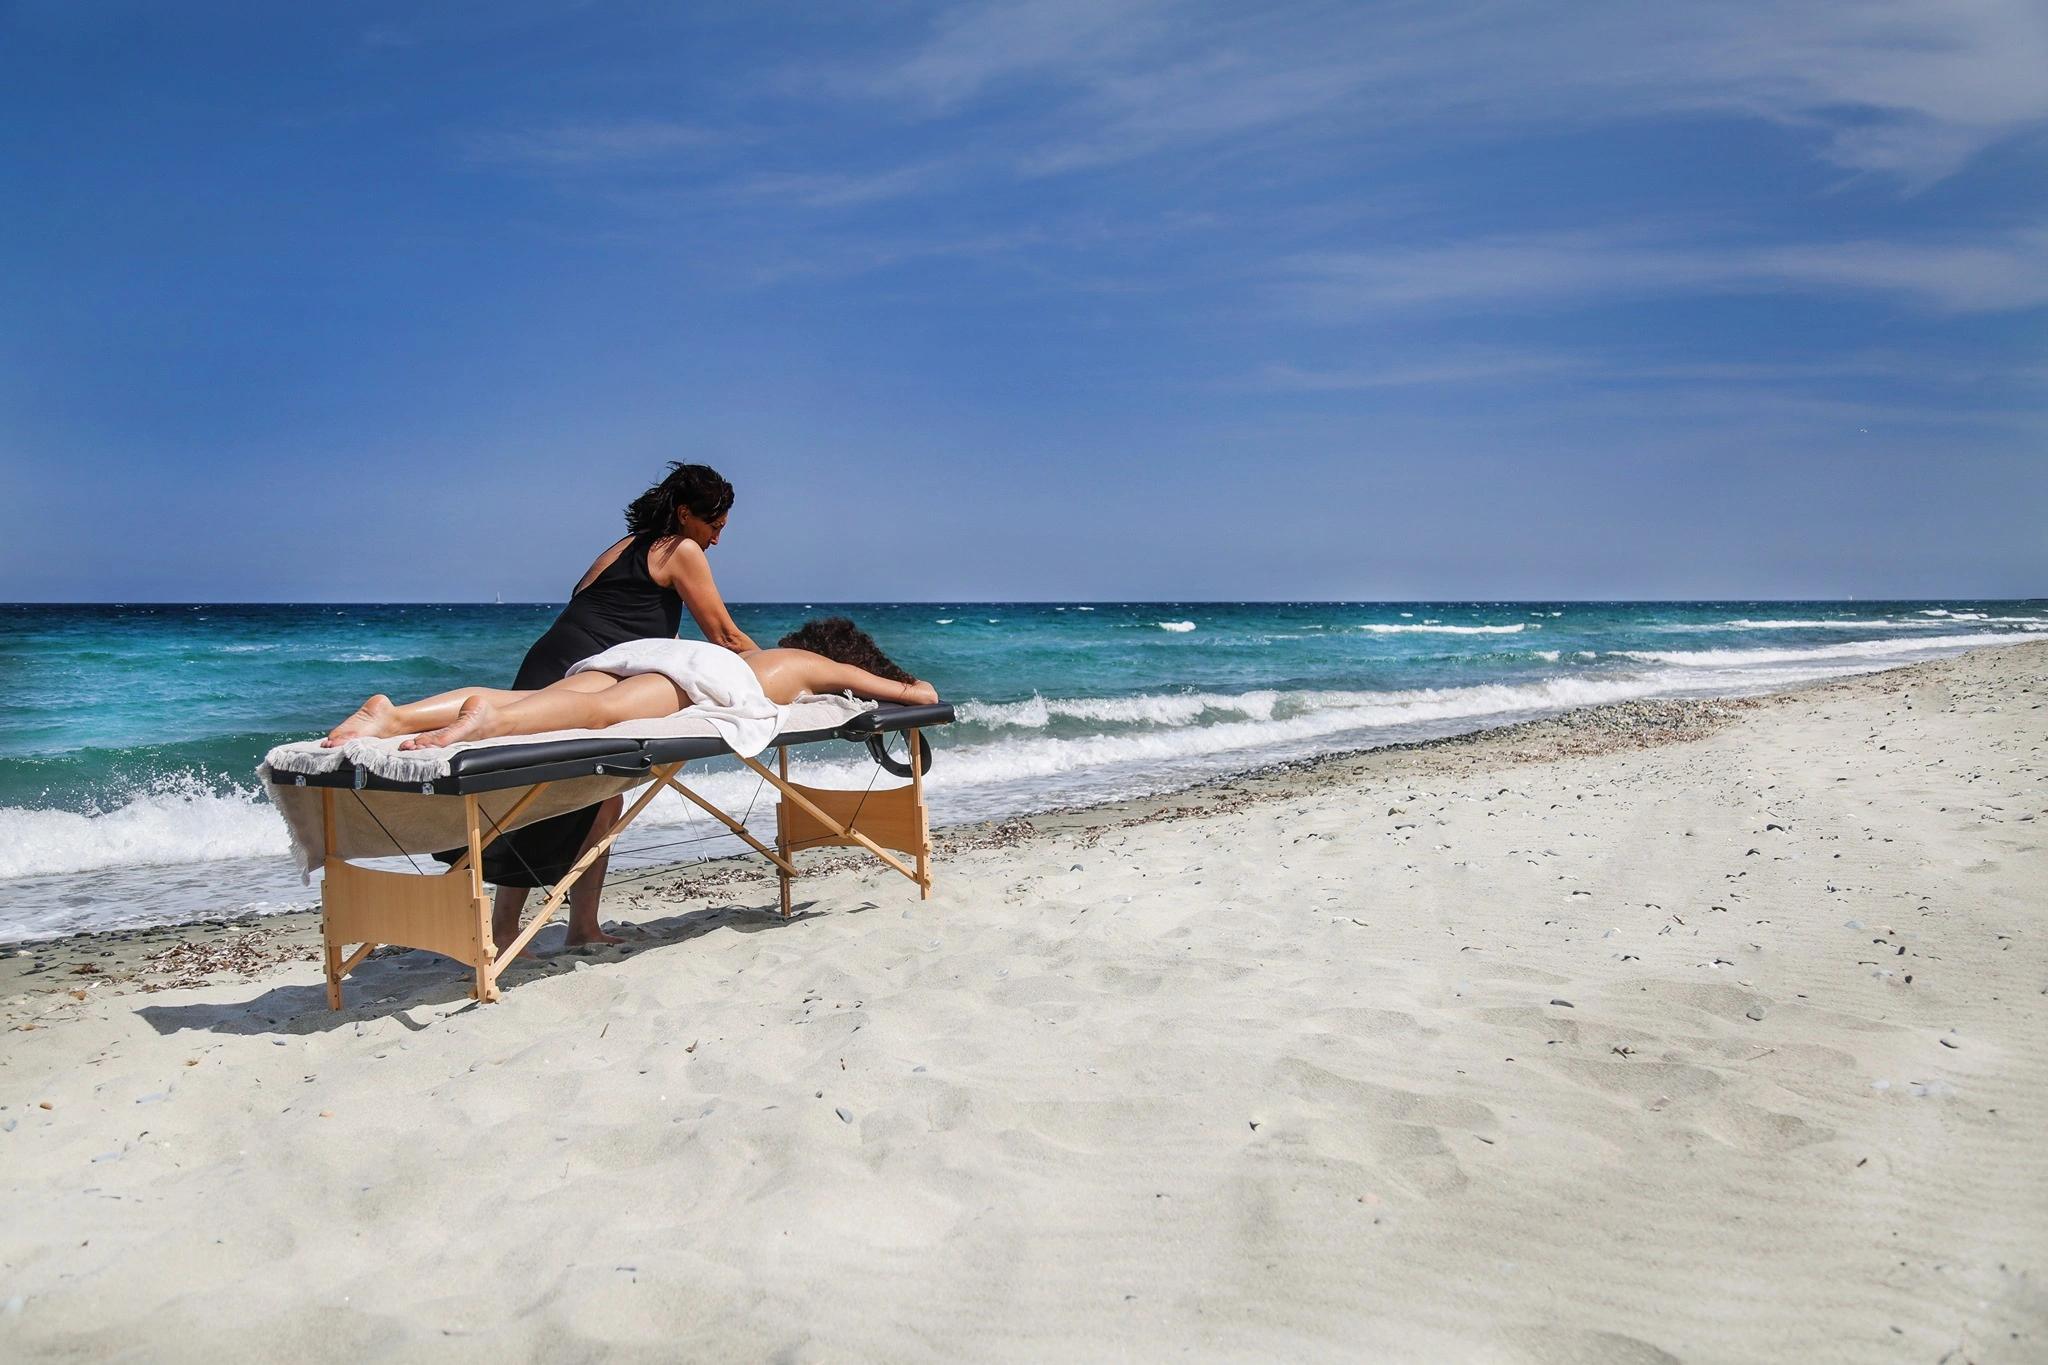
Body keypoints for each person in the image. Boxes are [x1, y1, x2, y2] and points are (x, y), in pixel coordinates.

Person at [374, 462, 754, 952]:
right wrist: (779, 673)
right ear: (685, 514)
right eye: (713, 525)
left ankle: (540, 927)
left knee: (550, 800)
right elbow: (724, 636)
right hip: (578, 680)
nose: (717, 539)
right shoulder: (679, 549)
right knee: (569, 800)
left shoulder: (623, 548)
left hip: (553, 663)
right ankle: (567, 928)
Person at [324, 617, 937, 751]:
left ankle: (394, 715)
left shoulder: (776, 654)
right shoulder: (817, 665)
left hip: (647, 650)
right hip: (703, 674)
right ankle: (491, 723)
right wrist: (904, 682)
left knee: (549, 699)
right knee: (604, 714)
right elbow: (916, 696)